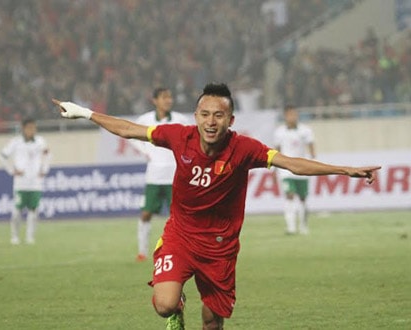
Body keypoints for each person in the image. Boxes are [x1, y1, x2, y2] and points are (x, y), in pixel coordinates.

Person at [52, 83, 380, 330]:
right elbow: (129, 129)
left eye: (219, 115)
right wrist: (84, 112)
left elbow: (292, 163)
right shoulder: (179, 136)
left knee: (212, 323)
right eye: (205, 114)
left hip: (220, 249)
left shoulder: (245, 149)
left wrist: (344, 169)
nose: (211, 122)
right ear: (196, 117)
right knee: (164, 305)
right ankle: (177, 304)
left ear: (230, 119)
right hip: (180, 237)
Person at [131, 87, 189, 262]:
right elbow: (132, 136)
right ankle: (142, 252)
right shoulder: (146, 119)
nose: (168, 100)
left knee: (178, 216)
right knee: (146, 213)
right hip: (154, 175)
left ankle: (181, 251)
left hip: (175, 175)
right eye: (164, 97)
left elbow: (191, 139)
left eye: (170, 97)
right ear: (155, 100)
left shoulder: (180, 119)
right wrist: (144, 151)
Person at [0, 118, 51, 245]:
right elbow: (2, 155)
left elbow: (48, 155)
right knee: (17, 211)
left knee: (33, 211)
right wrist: (12, 170)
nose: (32, 130)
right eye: (29, 128)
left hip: (35, 183)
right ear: (23, 128)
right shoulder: (16, 142)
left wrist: (44, 169)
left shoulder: (40, 141)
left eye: (34, 128)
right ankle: (15, 236)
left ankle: (29, 237)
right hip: (21, 183)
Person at [273, 105, 316, 234]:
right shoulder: (279, 132)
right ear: (285, 116)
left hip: (302, 168)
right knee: (289, 195)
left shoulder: (305, 130)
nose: (293, 117)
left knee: (302, 198)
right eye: (290, 114)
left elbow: (311, 146)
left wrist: (313, 161)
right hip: (286, 169)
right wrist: (275, 168)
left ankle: (303, 226)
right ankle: (291, 227)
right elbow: (277, 151)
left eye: (295, 114)